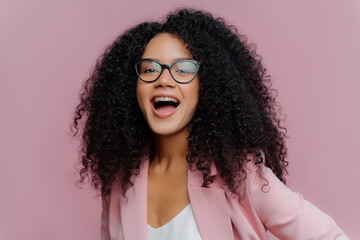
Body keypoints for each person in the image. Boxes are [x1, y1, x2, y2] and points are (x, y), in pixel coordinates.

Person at [70, 7, 349, 240]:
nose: (163, 80)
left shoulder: (241, 174)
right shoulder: (119, 179)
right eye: (150, 69)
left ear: (207, 87)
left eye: (183, 69)